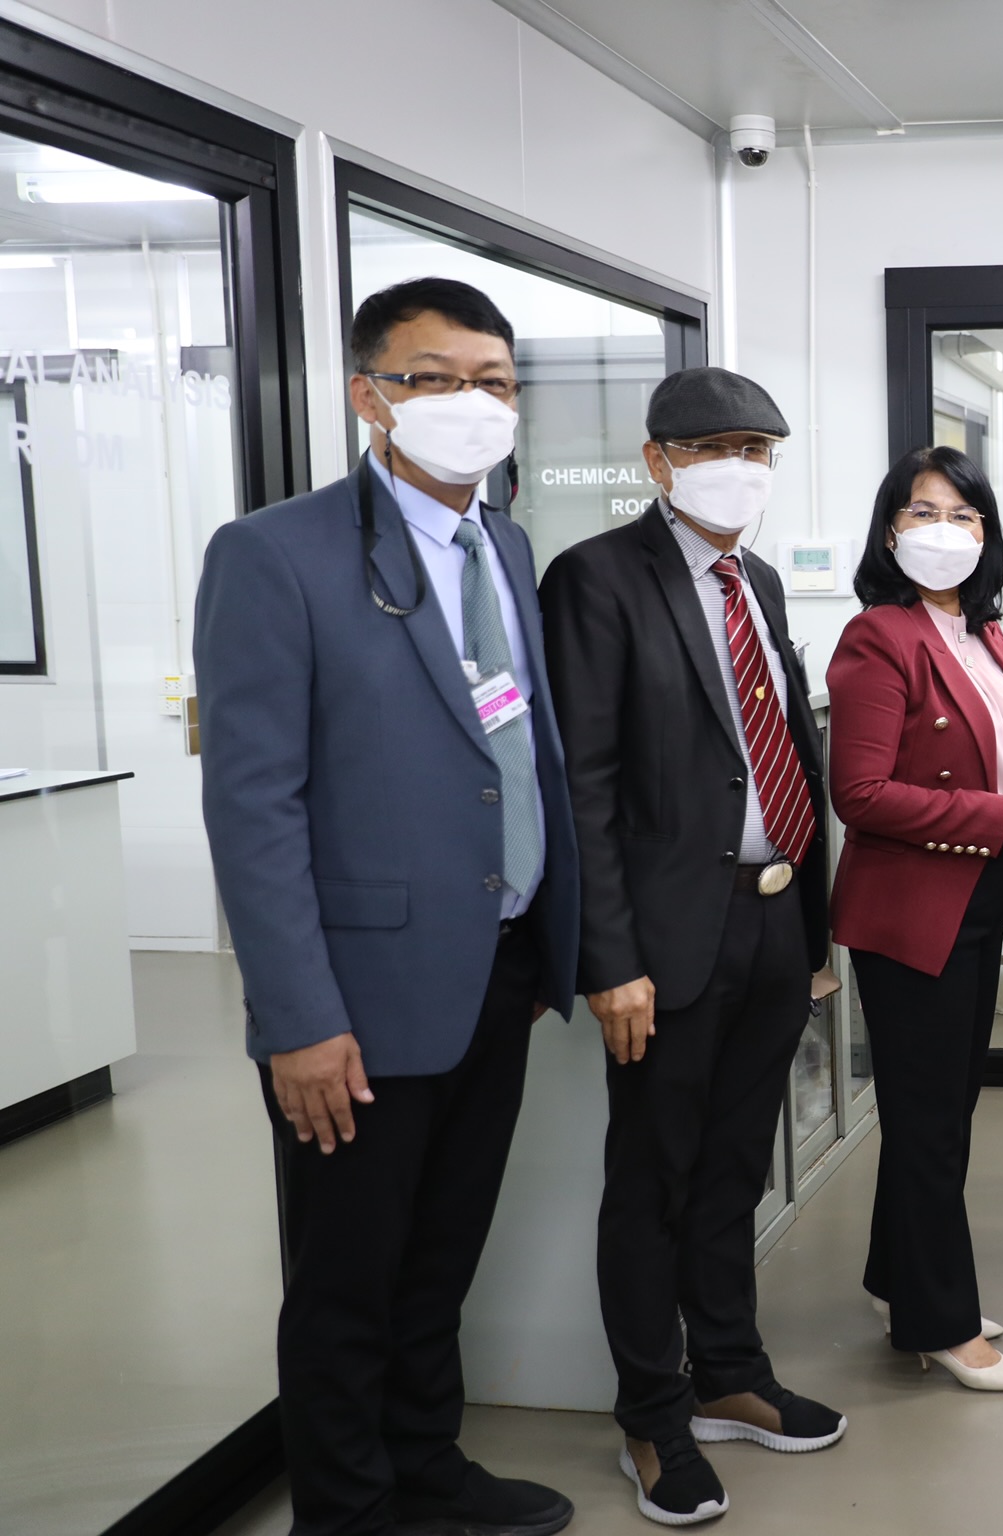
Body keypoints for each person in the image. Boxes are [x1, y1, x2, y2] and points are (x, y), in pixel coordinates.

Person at [194, 277, 579, 1536]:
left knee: (441, 1257)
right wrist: (297, 1020)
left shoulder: (504, 547)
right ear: (371, 396)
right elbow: (253, 807)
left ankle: (426, 1466)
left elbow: (509, 753)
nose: (474, 403)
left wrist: (545, 948)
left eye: (496, 382)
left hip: (497, 971)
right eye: (437, 379)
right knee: (348, 1281)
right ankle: (347, 1510)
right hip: (354, 1004)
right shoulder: (276, 554)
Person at [539, 368, 845, 1526]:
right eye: (716, 448)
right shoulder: (597, 578)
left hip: (771, 919)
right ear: (658, 461)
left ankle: (727, 1370)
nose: (741, 469)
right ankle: (652, 1415)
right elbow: (584, 786)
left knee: (733, 1168)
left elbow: (779, 749)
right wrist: (609, 960)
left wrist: (810, 932)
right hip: (665, 938)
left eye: (759, 450)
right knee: (654, 1179)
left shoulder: (755, 579)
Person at [827, 445, 1003, 1391]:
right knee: (928, 1124)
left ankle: (898, 1280)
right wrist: (1001, 817)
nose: (945, 530)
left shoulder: (985, 634)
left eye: (964, 515)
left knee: (944, 1110)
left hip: (978, 899)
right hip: (912, 910)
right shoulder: (878, 637)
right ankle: (943, 1323)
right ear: (891, 532)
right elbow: (860, 793)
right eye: (923, 512)